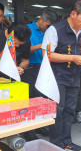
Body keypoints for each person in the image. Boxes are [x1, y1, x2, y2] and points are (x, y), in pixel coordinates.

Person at [41, 0, 81, 151]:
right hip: (57, 76)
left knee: (70, 109)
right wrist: (72, 58)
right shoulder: (55, 29)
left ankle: (67, 140)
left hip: (75, 75)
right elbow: (47, 54)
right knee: (57, 110)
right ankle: (56, 143)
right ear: (73, 14)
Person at [21, 9, 58, 141]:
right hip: (29, 68)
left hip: (44, 69)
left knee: (41, 99)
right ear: (41, 19)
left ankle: (38, 125)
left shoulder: (50, 32)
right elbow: (23, 49)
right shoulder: (27, 29)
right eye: (47, 25)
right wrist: (41, 46)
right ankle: (28, 132)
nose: (48, 28)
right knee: (29, 101)